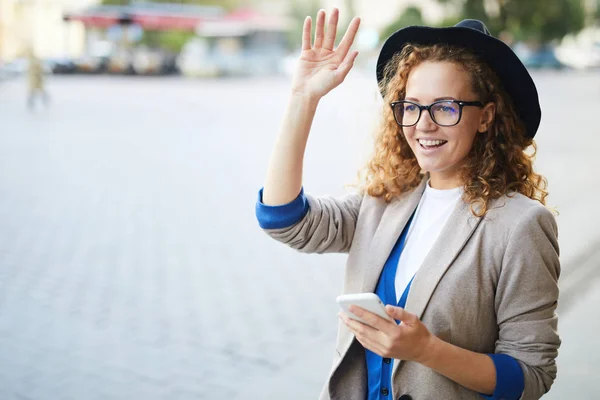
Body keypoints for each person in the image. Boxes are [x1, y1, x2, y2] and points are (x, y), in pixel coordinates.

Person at [255, 9, 560, 400]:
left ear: (485, 117)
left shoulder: (521, 225)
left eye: (446, 107)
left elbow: (531, 373)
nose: (423, 124)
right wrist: (303, 98)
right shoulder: (384, 203)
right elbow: (284, 220)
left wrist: (427, 351)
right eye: (411, 106)